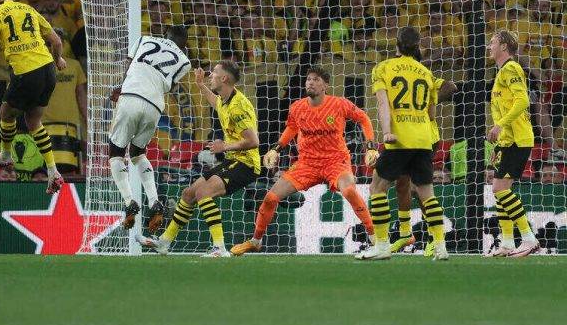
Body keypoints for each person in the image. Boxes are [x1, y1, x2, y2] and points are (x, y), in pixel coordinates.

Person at [231, 66, 377, 256]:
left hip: (336, 161)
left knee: (349, 190)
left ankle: (375, 238)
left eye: (316, 80)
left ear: (325, 85)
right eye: (309, 79)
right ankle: (255, 241)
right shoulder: (297, 107)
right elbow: (291, 128)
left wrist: (371, 146)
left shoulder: (339, 104)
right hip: (307, 164)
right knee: (271, 197)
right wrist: (276, 149)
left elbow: (364, 118)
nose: (311, 82)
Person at [137, 61, 260, 257]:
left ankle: (219, 248)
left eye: (214, 73)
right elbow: (216, 103)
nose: (211, 75)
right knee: (188, 193)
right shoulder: (226, 99)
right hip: (233, 161)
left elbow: (253, 141)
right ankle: (164, 243)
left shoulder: (239, 106)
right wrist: (201, 85)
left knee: (203, 192)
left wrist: (224, 146)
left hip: (247, 164)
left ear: (224, 78)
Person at [357, 26, 448, 261]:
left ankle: (382, 245)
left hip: (399, 139)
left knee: (377, 187)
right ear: (417, 47)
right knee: (427, 193)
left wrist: (387, 132)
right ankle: (440, 245)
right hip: (424, 139)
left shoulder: (384, 67)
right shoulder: (425, 72)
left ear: (396, 45)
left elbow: (383, 104)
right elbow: (431, 115)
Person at [0, 0, 67, 194]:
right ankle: (53, 171)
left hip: (26, 71)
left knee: (5, 113)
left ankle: (5, 154)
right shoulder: (29, 9)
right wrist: (58, 60)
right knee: (33, 121)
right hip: (48, 69)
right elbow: (56, 41)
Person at [108, 26, 191, 232]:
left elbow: (129, 67)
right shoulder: (185, 62)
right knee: (138, 153)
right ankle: (154, 201)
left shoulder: (144, 39)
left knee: (116, 152)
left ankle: (129, 202)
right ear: (184, 45)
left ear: (165, 36)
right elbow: (169, 85)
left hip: (131, 96)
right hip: (154, 106)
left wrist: (120, 88)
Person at [486, 30, 539, 257]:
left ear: (504, 47)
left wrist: (499, 126)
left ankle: (528, 238)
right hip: (508, 141)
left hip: (518, 138)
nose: (489, 46)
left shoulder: (511, 68)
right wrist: (499, 143)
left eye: (492, 42)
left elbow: (522, 100)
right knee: (500, 190)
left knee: (499, 189)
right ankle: (507, 242)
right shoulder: (500, 73)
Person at [391, 77, 457, 255]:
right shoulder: (394, 73)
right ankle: (407, 233)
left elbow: (451, 86)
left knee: (418, 187)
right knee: (402, 185)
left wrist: (430, 102)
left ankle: (433, 236)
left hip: (426, 138)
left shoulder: (421, 74)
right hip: (405, 137)